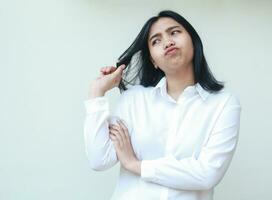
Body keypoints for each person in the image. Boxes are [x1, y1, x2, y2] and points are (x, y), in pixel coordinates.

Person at [84, 10, 241, 200]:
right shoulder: (134, 100)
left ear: (193, 42)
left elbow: (207, 174)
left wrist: (136, 165)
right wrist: (96, 93)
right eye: (156, 41)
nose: (167, 42)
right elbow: (99, 160)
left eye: (174, 32)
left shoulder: (223, 105)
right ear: (153, 60)